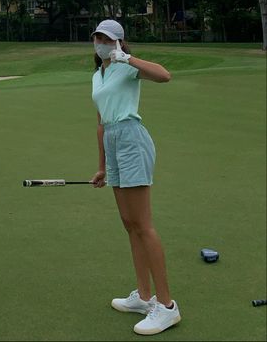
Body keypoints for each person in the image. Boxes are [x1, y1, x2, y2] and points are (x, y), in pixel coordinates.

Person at [90, 19, 181, 336]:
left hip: (132, 139)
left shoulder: (126, 66)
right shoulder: (97, 75)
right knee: (129, 223)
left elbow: (164, 76)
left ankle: (167, 306)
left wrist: (126, 58)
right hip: (113, 144)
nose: (100, 42)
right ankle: (144, 297)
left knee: (143, 225)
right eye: (97, 37)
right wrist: (102, 166)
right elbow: (100, 123)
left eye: (106, 38)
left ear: (118, 42)